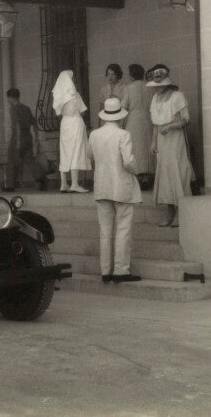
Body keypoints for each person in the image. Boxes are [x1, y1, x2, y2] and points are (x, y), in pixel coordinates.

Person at [89, 97, 142, 283]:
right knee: (123, 229)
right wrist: (137, 171)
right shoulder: (123, 134)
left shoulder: (94, 135)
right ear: (120, 116)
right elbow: (128, 161)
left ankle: (105, 270)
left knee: (105, 230)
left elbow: (90, 156)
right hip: (121, 185)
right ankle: (121, 270)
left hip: (102, 185)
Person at [147, 64, 195, 227]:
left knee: (178, 172)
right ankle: (169, 213)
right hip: (161, 140)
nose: (157, 87)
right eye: (156, 84)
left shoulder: (177, 96)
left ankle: (182, 214)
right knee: (165, 174)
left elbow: (186, 119)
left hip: (175, 139)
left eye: (160, 84)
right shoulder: (154, 98)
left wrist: (170, 126)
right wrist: (154, 141)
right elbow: (155, 124)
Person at [52, 70, 91, 193]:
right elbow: (83, 111)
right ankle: (74, 184)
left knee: (65, 151)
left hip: (65, 123)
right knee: (76, 150)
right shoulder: (75, 95)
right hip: (75, 122)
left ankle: (64, 184)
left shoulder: (59, 96)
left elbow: (58, 112)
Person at [4, 88, 46, 192]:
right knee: (30, 160)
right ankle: (41, 178)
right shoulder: (26, 108)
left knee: (11, 160)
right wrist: (36, 137)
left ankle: (10, 185)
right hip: (28, 137)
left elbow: (17, 125)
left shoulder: (13, 109)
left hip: (18, 137)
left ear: (9, 98)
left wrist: (18, 143)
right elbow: (34, 122)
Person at [121, 63, 155, 188]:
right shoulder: (150, 87)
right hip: (148, 117)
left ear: (131, 75)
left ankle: (139, 176)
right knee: (147, 145)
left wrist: (122, 123)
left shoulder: (128, 88)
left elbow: (124, 106)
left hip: (134, 118)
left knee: (136, 147)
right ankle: (147, 176)